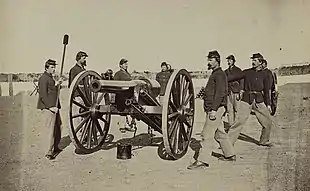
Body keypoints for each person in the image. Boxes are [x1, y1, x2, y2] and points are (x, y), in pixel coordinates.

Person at [187, 50, 236, 170]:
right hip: (215, 108)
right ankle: (230, 155)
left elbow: (220, 93)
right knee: (219, 133)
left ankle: (202, 161)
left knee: (206, 134)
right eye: (208, 59)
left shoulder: (219, 74)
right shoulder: (216, 73)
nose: (208, 62)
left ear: (217, 61)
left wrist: (214, 110)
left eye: (211, 60)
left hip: (216, 108)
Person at [227, 53, 274, 154]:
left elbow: (266, 90)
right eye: (253, 60)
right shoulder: (247, 72)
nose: (253, 62)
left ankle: (264, 141)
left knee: (268, 122)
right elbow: (234, 77)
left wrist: (268, 104)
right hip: (246, 100)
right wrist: (221, 78)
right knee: (238, 122)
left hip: (259, 101)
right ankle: (228, 144)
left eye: (255, 60)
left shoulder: (265, 74)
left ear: (261, 62)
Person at [37, 59, 63, 160]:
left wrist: (58, 85)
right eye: (52, 67)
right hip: (50, 108)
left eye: (54, 67)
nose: (54, 69)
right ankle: (49, 152)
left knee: (58, 127)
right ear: (46, 68)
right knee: (50, 130)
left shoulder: (50, 78)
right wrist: (50, 107)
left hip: (55, 107)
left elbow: (52, 91)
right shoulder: (43, 78)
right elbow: (43, 94)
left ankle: (55, 147)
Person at [114, 58, 135, 132]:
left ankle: (126, 125)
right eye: (125, 64)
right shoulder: (118, 74)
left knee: (126, 110)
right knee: (122, 110)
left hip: (128, 95)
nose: (126, 65)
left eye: (127, 64)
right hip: (121, 95)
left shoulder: (127, 73)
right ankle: (122, 126)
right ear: (120, 65)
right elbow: (115, 84)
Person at [224, 55, 243, 128]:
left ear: (233, 61)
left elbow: (242, 81)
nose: (229, 62)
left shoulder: (238, 70)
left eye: (230, 60)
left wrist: (240, 91)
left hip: (236, 92)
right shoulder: (225, 71)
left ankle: (237, 127)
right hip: (228, 92)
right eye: (228, 60)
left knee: (237, 110)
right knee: (229, 110)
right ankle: (231, 126)